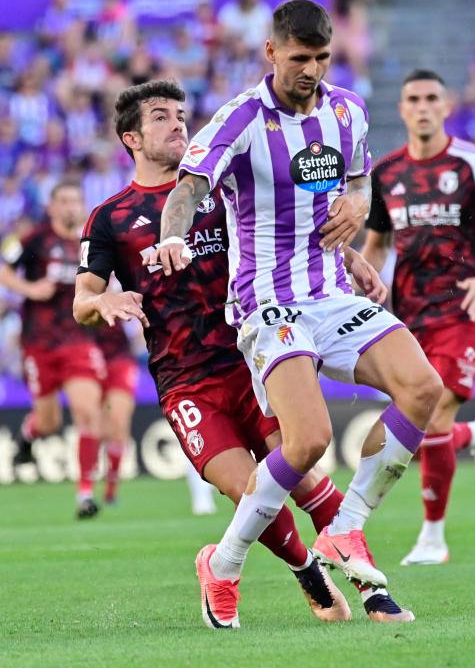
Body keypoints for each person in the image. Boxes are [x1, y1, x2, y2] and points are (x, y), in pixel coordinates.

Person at [150, 0, 443, 628]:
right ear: (271, 53)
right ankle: (223, 563)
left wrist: (359, 215)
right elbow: (189, 189)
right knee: (308, 441)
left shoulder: (349, 111)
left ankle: (346, 528)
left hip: (332, 292)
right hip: (267, 303)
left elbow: (359, 182)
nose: (311, 69)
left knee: (424, 387)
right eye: (299, 58)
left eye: (321, 58)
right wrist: (173, 236)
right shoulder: (241, 119)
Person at [73, 80, 409, 628]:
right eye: (160, 117)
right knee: (245, 487)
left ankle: (373, 593)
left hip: (254, 358)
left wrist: (346, 256)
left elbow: (283, 235)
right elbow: (80, 302)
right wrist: (104, 298)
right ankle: (306, 569)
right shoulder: (111, 217)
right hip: (186, 382)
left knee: (305, 479)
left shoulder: (223, 188)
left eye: (181, 114)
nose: (178, 123)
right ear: (131, 137)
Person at [362, 69, 475, 565]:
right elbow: (377, 244)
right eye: (413, 98)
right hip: (409, 312)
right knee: (419, 423)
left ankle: (433, 537)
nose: (423, 106)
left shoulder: (474, 163)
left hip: (464, 308)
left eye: (433, 97)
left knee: (434, 413)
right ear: (402, 109)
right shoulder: (386, 173)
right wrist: (361, 286)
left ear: (447, 104)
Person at [0, 180, 106, 518]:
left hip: (78, 340)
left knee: (88, 412)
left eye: (76, 200)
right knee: (48, 421)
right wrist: (29, 289)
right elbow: (3, 266)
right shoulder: (35, 239)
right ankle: (29, 435)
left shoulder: (91, 243)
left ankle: (85, 495)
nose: (72, 207)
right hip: (39, 343)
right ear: (52, 207)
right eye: (64, 201)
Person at [94, 318, 139, 504]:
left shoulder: (124, 291)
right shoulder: (79, 291)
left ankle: (111, 490)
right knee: (100, 429)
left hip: (121, 360)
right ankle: (87, 489)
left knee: (119, 425)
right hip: (91, 359)